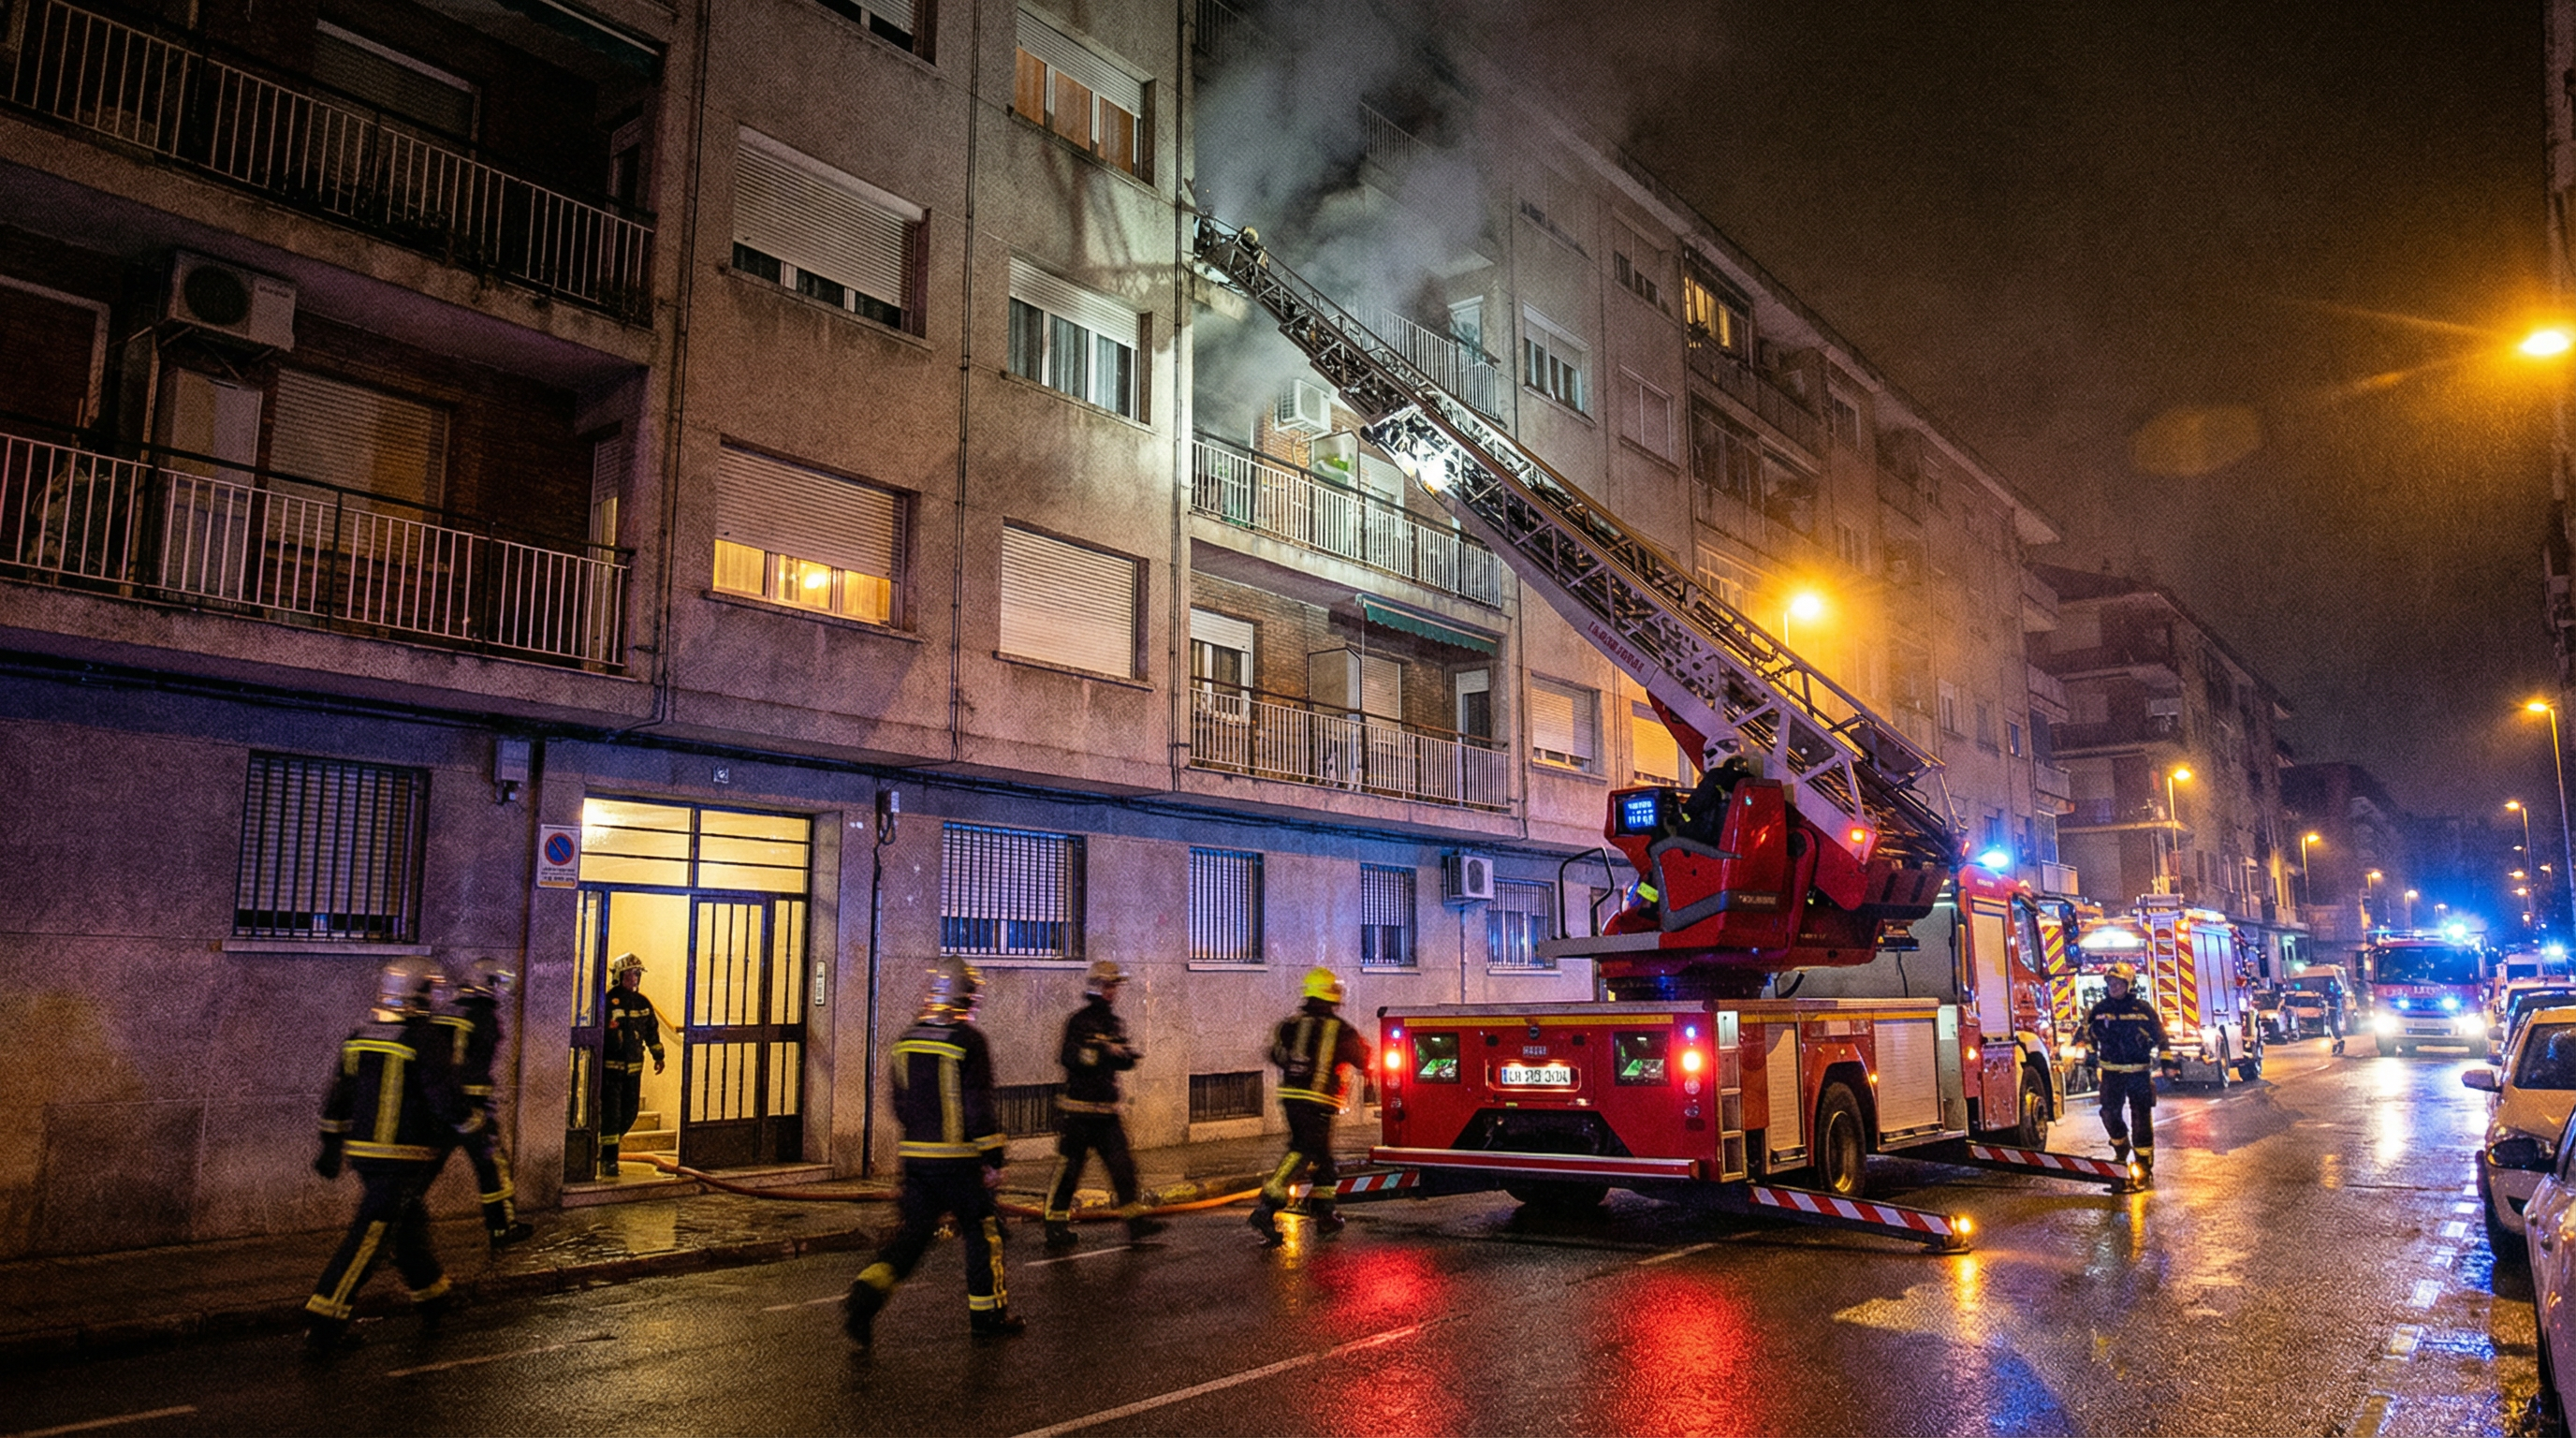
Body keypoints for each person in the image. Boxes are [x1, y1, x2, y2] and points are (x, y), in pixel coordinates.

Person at [303, 958, 484, 1357]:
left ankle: (435, 1299)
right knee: (369, 1239)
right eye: (432, 991)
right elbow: (443, 1095)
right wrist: (475, 1131)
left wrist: (331, 1147)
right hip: (402, 1156)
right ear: (419, 992)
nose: (437, 998)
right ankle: (325, 1322)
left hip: (366, 1156)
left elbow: (338, 1097)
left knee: (409, 1226)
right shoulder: (422, 1038)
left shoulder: (360, 1035)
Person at [843, 958, 1021, 1347]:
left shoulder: (906, 1040)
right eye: (973, 997)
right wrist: (993, 1159)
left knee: (912, 1238)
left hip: (916, 1164)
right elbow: (978, 1108)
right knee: (983, 1232)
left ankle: (865, 1296)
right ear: (965, 996)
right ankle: (987, 1315)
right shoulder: (968, 1041)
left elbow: (900, 1106)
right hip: (959, 1165)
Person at [1042, 961, 1166, 1250]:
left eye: (1115, 986)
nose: (1113, 991)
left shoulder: (1113, 1023)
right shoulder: (1079, 1022)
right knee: (1070, 1169)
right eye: (1109, 985)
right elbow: (1070, 1058)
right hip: (1078, 1111)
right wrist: (1101, 1052)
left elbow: (1122, 1060)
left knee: (1123, 1166)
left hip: (1107, 1111)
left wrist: (1124, 1056)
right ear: (1097, 986)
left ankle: (1135, 1223)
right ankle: (1055, 1223)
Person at [1248, 966, 1371, 1246]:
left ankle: (1326, 1215)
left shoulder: (1289, 1025)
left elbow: (1275, 1054)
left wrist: (1297, 1067)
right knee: (1303, 1151)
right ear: (1331, 996)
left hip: (1292, 1099)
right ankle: (1267, 1206)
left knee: (1324, 1160)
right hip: (1319, 1104)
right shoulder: (1340, 1030)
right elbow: (1363, 1059)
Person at [431, 957, 534, 1247]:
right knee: (492, 1165)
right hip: (472, 1106)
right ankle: (503, 1227)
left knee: (421, 1172)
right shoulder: (484, 1016)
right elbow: (478, 1064)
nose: (501, 991)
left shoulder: (446, 1011)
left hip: (438, 1107)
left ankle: (396, 1232)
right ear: (488, 985)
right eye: (499, 985)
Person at [2083, 961, 2171, 1179]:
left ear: (2129, 985)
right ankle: (2121, 1148)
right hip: (2112, 1073)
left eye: (2119, 983)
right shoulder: (2100, 1009)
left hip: (2138, 1073)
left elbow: (2161, 1037)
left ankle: (2144, 1163)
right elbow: (2088, 1034)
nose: (2114, 987)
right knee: (2109, 1114)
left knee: (2141, 1118)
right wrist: (2091, 1055)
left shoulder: (2143, 1010)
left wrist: (2168, 1063)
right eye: (2111, 983)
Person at [598, 952, 664, 1181]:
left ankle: (606, 1149)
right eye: (630, 973)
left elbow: (651, 1030)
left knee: (629, 1114)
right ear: (619, 976)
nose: (634, 978)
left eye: (637, 974)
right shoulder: (607, 1001)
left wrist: (659, 1055)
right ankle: (608, 1160)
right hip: (611, 1070)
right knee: (611, 1116)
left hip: (634, 1071)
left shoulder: (642, 1002)